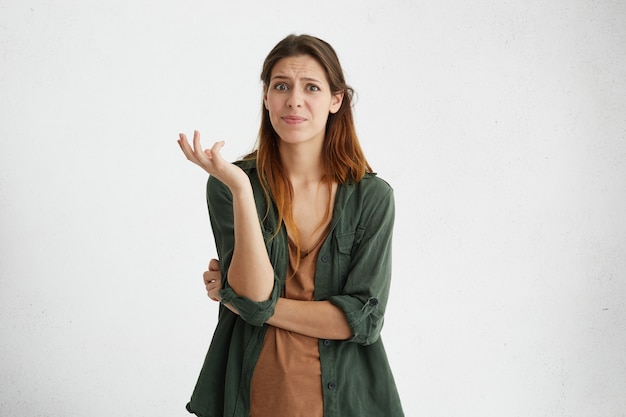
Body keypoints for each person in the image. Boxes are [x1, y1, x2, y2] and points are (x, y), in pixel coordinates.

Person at [178, 34, 404, 417]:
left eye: (311, 87)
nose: (294, 100)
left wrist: (242, 302)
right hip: (252, 398)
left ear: (336, 100)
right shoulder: (229, 185)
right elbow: (253, 289)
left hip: (345, 403)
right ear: (266, 97)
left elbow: (362, 321)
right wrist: (240, 189)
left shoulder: (372, 198)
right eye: (281, 86)